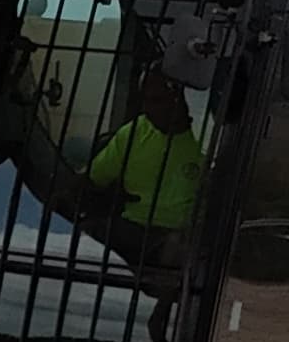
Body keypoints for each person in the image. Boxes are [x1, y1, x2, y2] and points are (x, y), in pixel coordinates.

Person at [79, 69, 207, 245]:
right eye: (144, 100)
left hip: (181, 239)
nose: (146, 109)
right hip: (129, 228)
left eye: (156, 100)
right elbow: (92, 179)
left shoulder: (208, 141)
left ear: (180, 99)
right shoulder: (134, 132)